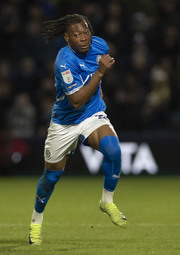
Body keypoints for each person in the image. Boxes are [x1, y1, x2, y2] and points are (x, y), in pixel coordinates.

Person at [28, 14, 127, 245]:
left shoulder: (100, 45)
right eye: (76, 35)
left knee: (113, 150)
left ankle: (106, 200)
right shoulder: (64, 61)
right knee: (51, 177)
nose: (83, 38)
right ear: (66, 38)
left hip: (92, 115)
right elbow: (75, 101)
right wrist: (100, 73)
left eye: (85, 33)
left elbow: (94, 72)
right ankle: (36, 221)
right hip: (64, 122)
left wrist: (99, 90)